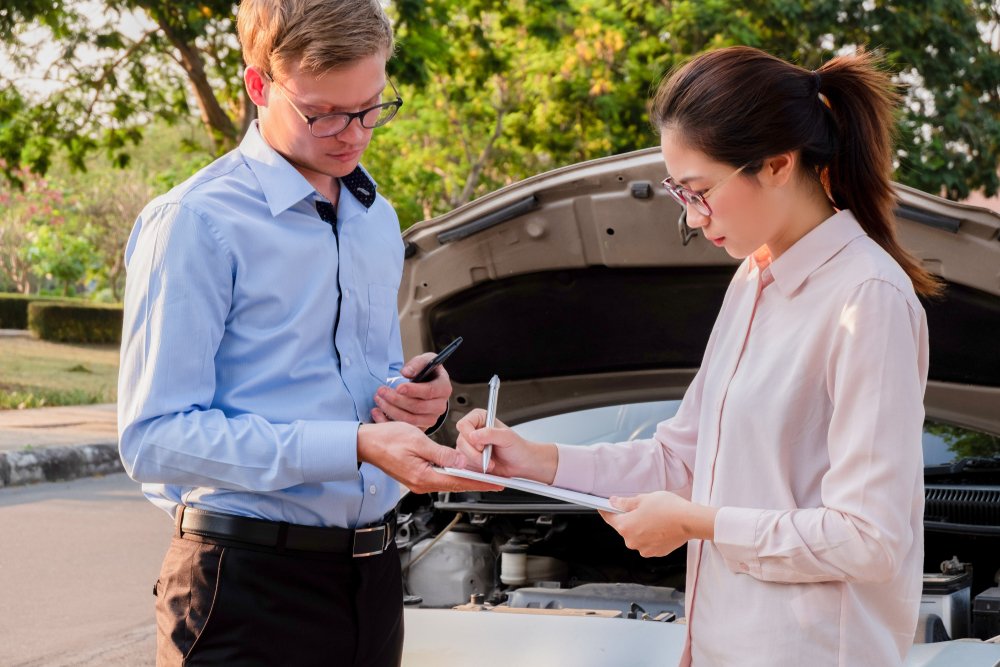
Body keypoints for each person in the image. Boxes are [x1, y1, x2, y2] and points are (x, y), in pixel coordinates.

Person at [457, 45, 939, 667]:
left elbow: (868, 539)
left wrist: (699, 525)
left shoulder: (866, 299)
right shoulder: (753, 280)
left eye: (700, 190)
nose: (690, 217)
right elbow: (681, 461)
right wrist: (537, 460)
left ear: (776, 164)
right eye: (677, 192)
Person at [117, 1, 494, 665]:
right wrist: (353, 443)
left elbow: (352, 379)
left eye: (372, 106)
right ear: (258, 85)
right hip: (243, 587)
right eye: (323, 113)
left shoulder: (376, 217)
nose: (353, 134)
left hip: (374, 580)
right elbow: (154, 438)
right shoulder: (194, 222)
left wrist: (409, 398)